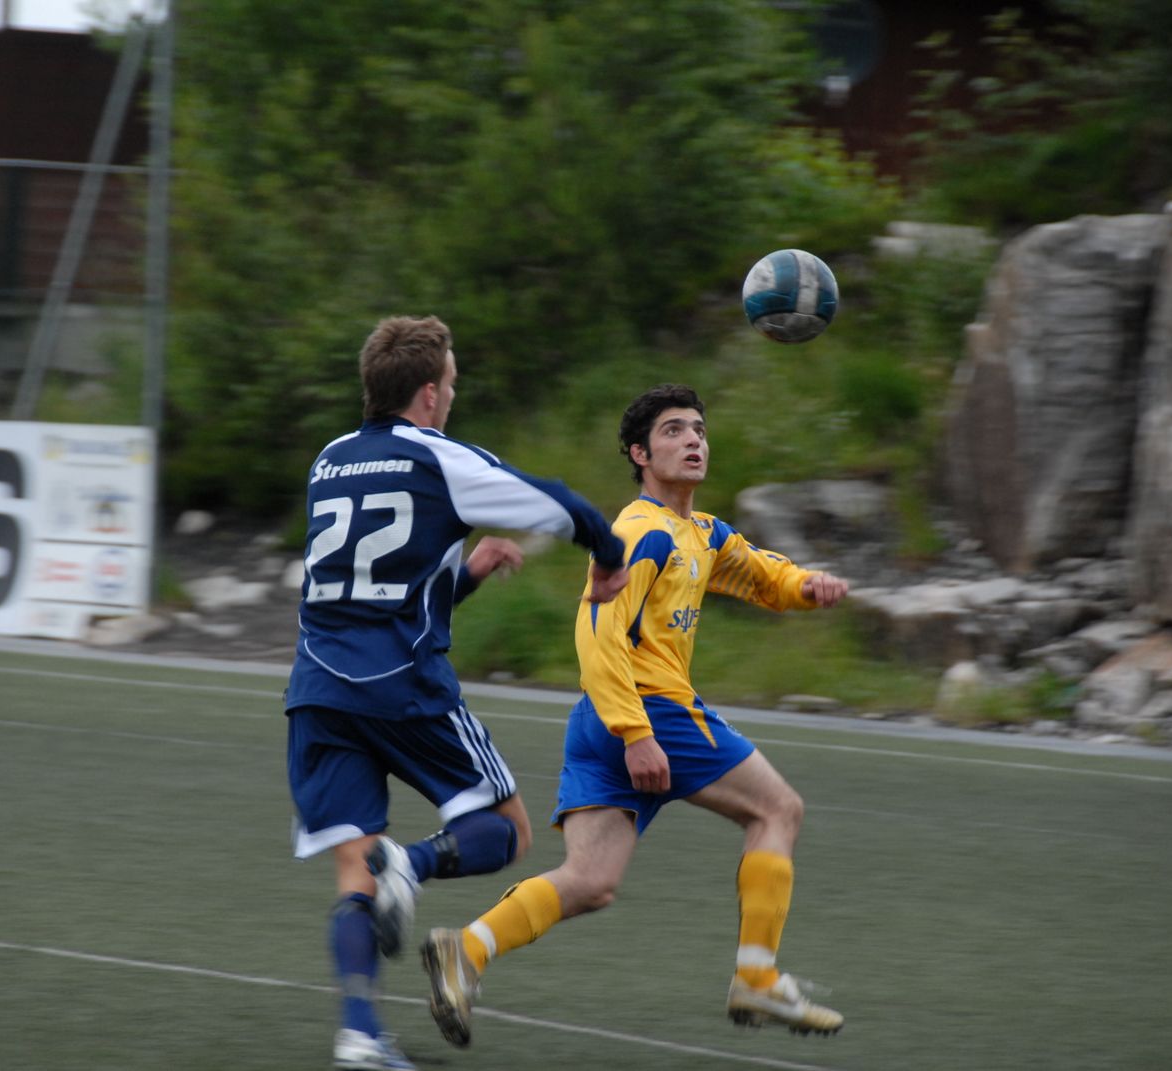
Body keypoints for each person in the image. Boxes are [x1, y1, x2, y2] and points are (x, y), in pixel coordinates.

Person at [420, 383, 850, 1048]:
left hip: (602, 718)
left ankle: (466, 949)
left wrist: (805, 585)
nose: (694, 439)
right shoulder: (640, 533)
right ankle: (757, 977)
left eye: (699, 429)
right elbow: (597, 633)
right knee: (777, 810)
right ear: (639, 453)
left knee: (590, 882)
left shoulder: (702, 533)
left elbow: (761, 575)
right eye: (674, 430)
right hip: (648, 711)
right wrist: (638, 733)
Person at [285, 315, 629, 1071]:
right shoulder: (436, 455)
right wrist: (608, 554)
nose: (451, 397)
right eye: (452, 384)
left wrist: (464, 573)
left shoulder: (329, 462)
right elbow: (553, 502)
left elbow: (378, 591)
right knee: (505, 828)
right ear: (430, 394)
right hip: (402, 688)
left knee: (354, 870)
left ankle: (358, 1034)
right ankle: (411, 863)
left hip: (317, 690)